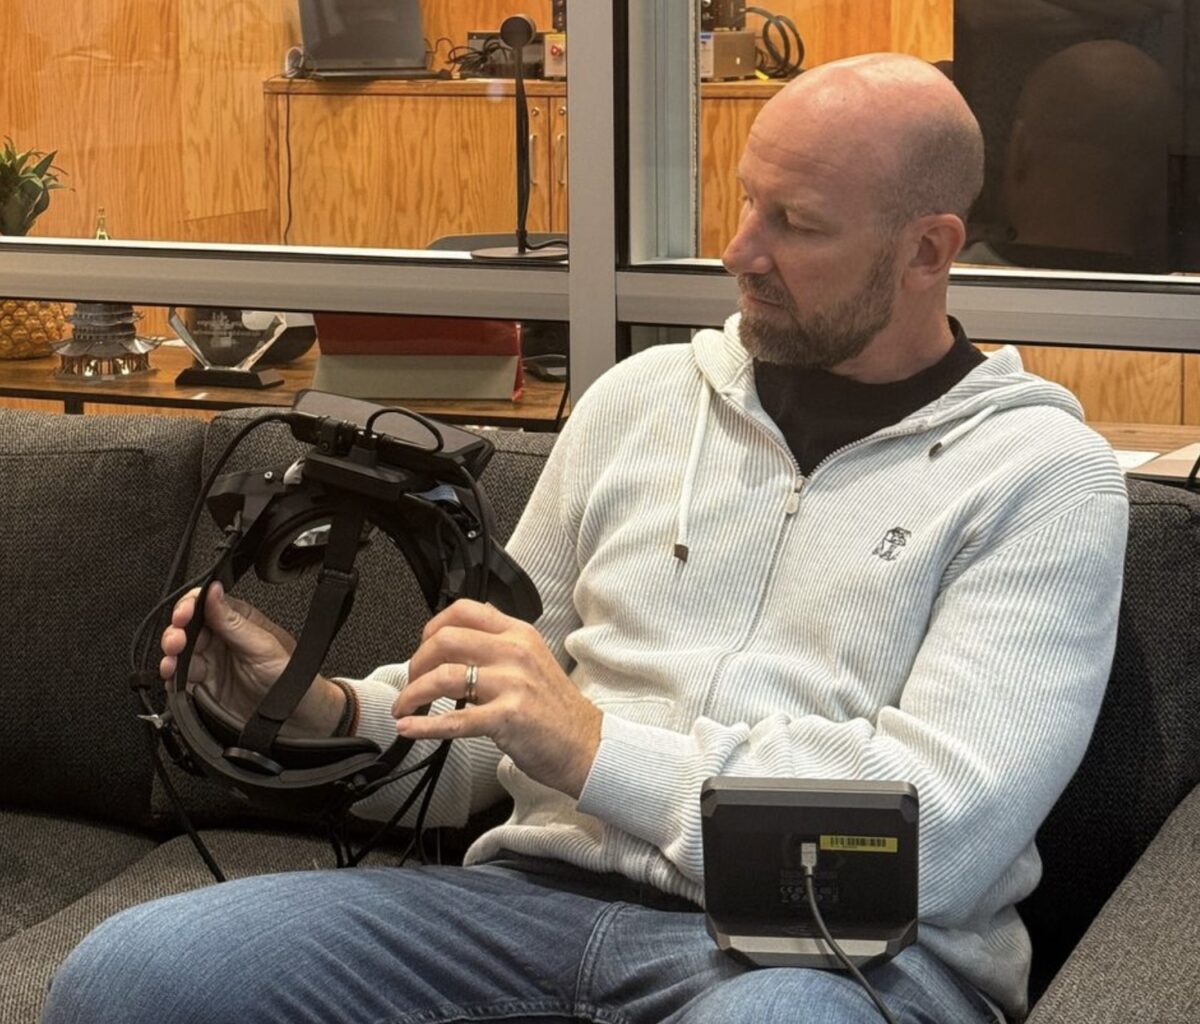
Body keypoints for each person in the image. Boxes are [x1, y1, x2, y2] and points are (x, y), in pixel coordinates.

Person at [42, 52, 1128, 1024]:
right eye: (745, 203)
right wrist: (322, 711)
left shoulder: (1041, 480)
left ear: (927, 251)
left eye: (795, 224)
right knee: (132, 971)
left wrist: (600, 751)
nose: (739, 251)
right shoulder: (642, 401)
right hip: (528, 903)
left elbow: (930, 843)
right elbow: (489, 732)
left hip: (837, 961)